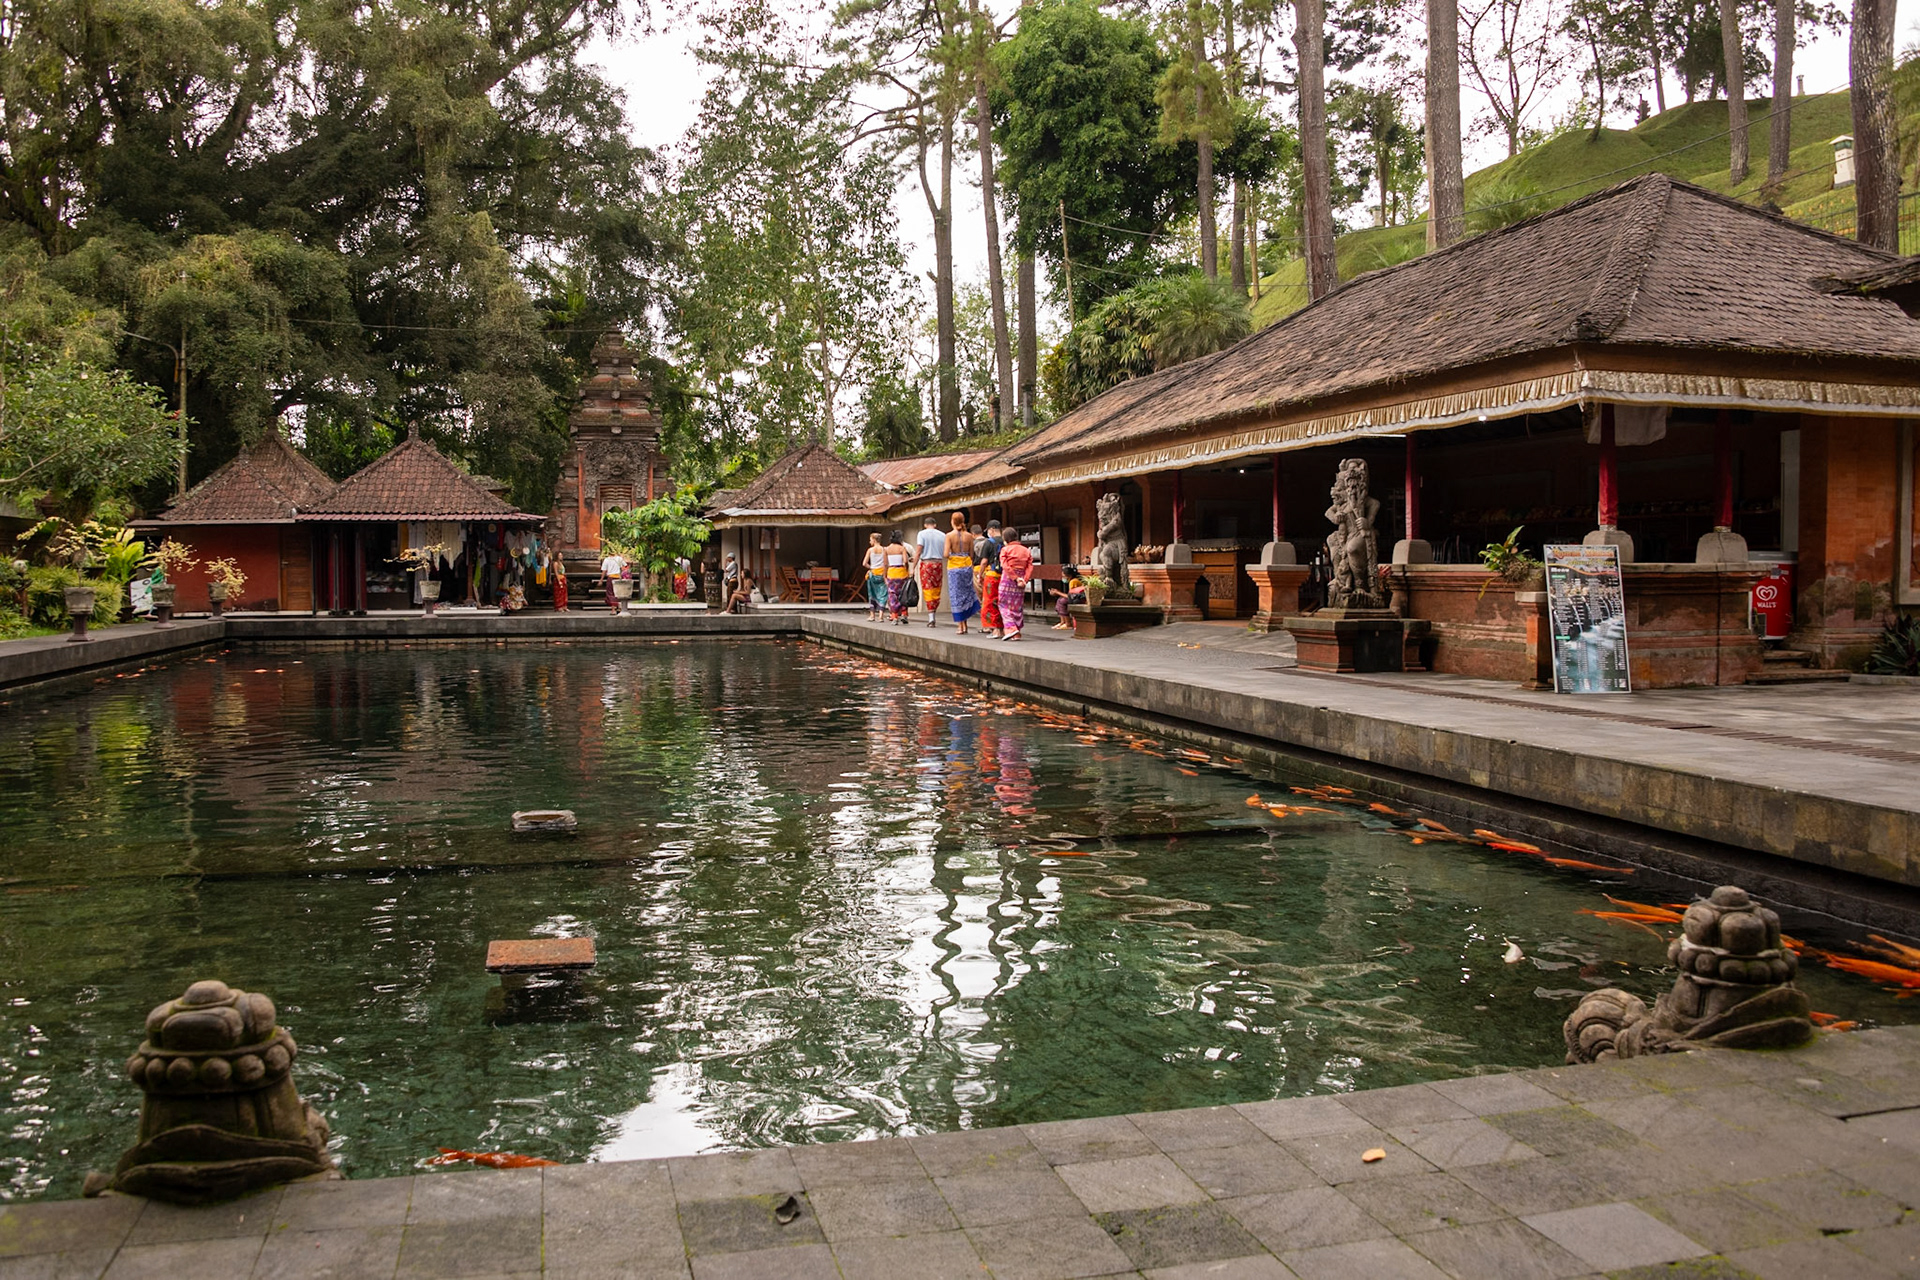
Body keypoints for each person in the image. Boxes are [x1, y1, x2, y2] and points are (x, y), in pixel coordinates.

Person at [996, 526, 1034, 641]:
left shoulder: (1005, 550)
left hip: (1008, 578)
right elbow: (1030, 567)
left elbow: (1005, 566)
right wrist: (1024, 579)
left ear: (1005, 538)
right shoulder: (1026, 550)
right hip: (1021, 579)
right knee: (1017, 606)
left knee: (1003, 603)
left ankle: (1011, 628)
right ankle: (1017, 632)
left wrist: (1015, 577)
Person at [945, 511, 980, 635]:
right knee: (966, 594)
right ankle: (965, 624)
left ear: (953, 522)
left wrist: (953, 555)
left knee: (956, 595)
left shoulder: (949, 535)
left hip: (954, 567)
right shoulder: (969, 536)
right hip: (966, 566)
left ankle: (960, 625)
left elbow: (945, 554)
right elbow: (972, 554)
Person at [913, 515, 946, 628]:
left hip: (926, 564)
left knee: (928, 589)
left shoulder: (921, 534)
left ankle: (931, 616)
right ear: (935, 525)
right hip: (938, 563)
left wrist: (913, 566)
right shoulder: (942, 535)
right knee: (937, 589)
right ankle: (933, 612)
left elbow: (918, 551)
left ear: (925, 525)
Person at [976, 520, 1005, 638]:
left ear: (991, 530)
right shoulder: (1005, 542)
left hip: (992, 575)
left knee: (990, 602)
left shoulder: (988, 542)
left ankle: (995, 630)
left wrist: (979, 575)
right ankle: (1003, 628)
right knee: (1002, 602)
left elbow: (984, 562)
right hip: (1004, 576)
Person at [883, 529, 913, 624]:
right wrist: (907, 569)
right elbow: (905, 561)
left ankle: (894, 616)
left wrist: (884, 575)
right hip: (902, 573)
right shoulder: (902, 548)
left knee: (893, 595)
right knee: (903, 594)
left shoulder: (886, 549)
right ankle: (904, 614)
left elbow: (885, 564)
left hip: (891, 573)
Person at [862, 532, 887, 620]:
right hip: (882, 574)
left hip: (872, 574)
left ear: (874, 540)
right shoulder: (884, 550)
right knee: (883, 594)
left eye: (870, 540)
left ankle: (872, 615)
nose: (869, 542)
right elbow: (886, 563)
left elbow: (864, 563)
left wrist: (871, 567)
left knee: (872, 594)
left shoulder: (870, 550)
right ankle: (881, 616)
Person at [599, 547, 627, 611]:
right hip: (618, 577)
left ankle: (613, 609)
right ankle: (619, 607)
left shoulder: (606, 560)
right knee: (618, 593)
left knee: (610, 593)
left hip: (611, 577)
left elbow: (604, 571)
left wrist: (601, 580)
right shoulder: (619, 559)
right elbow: (625, 566)